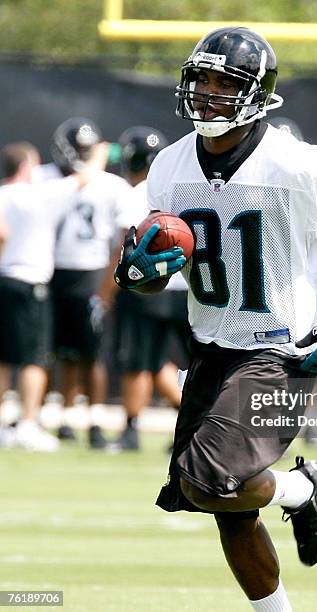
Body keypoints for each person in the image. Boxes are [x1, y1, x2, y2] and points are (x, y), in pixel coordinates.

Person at [114, 27, 317, 611]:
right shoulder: (167, 166)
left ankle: (297, 488)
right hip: (211, 346)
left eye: (226, 83)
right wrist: (143, 275)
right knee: (229, 514)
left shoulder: (290, 160)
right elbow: (166, 263)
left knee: (209, 481)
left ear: (258, 93)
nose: (210, 95)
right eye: (202, 81)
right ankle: (296, 505)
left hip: (280, 350)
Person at [0, 140, 108, 451]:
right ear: (25, 167)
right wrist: (99, 154)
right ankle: (27, 424)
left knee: (3, 359)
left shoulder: (3, 194)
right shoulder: (39, 195)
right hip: (30, 281)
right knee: (34, 358)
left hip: (4, 280)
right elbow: (83, 178)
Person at [45, 118, 132, 448]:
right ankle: (66, 418)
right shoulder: (47, 179)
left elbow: (122, 239)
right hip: (54, 270)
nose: (81, 155)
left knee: (92, 352)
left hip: (92, 271)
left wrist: (107, 285)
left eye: (87, 150)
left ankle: (94, 420)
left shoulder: (112, 186)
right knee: (62, 352)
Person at [108, 125, 191, 451]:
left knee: (139, 361)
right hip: (188, 290)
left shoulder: (137, 193)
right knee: (175, 364)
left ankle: (131, 429)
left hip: (147, 289)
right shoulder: (185, 187)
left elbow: (122, 246)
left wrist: (109, 289)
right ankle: (192, 425)